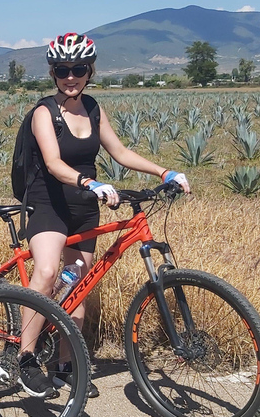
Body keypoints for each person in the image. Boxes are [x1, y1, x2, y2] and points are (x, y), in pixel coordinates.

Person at [16, 33, 191, 398]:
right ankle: (26, 359)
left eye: (78, 68)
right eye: (63, 69)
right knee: (48, 272)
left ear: (90, 71)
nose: (70, 75)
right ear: (52, 71)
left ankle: (65, 365)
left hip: (83, 207)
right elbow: (52, 163)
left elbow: (120, 151)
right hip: (48, 202)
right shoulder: (43, 113)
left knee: (77, 289)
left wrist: (164, 172)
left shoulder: (93, 108)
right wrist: (88, 181)